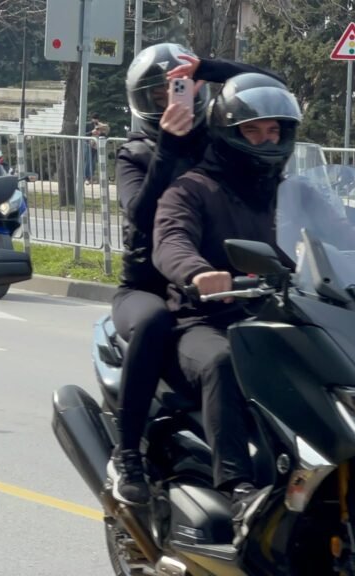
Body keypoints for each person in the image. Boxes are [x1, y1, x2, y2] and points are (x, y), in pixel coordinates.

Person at [109, 43, 282, 507]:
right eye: (160, 94)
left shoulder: (220, 144)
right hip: (149, 283)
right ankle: (128, 453)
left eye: (180, 88)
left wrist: (211, 67)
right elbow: (143, 215)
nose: (171, 100)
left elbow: (272, 89)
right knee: (153, 322)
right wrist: (168, 146)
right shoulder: (136, 153)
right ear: (142, 100)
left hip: (223, 283)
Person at [152, 73, 302, 541]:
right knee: (222, 361)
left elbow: (346, 233)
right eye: (252, 131)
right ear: (228, 133)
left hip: (277, 318)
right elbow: (171, 239)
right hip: (205, 319)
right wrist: (197, 271)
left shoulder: (292, 194)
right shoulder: (192, 188)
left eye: (273, 131)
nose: (265, 140)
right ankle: (238, 489)